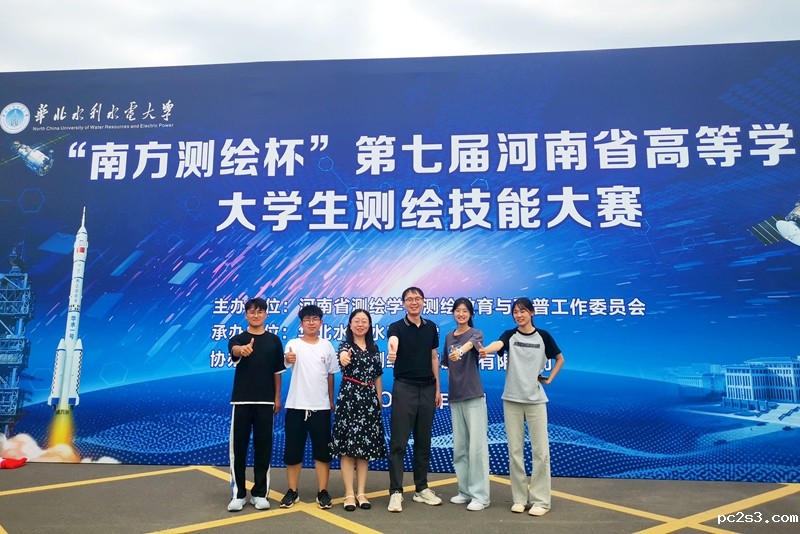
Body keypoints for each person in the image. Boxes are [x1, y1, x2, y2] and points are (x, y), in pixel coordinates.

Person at [479, 297, 565, 517]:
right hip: (512, 399)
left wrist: (549, 379)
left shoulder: (543, 336)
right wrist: (485, 350)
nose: (519, 315)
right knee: (515, 452)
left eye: (523, 311)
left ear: (532, 312)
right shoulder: (510, 335)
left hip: (536, 400)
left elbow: (560, 358)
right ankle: (519, 499)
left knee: (540, 452)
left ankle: (541, 501)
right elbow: (498, 344)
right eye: (515, 312)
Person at [386, 286, 443, 512]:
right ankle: (395, 492)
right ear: (403, 303)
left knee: (423, 441)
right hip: (405, 388)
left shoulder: (430, 327)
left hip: (428, 388)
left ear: (423, 301)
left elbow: (433, 357)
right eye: (409, 299)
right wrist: (392, 350)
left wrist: (437, 388)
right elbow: (393, 341)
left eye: (417, 298)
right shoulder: (396, 326)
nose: (414, 302)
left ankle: (421, 488)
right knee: (398, 442)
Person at [226, 297, 286, 512]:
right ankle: (238, 494)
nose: (256, 315)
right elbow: (234, 350)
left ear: (266, 314)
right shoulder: (238, 339)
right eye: (251, 311)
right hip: (242, 401)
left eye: (260, 311)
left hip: (265, 401)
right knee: (238, 449)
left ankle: (260, 494)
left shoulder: (274, 341)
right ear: (246, 315)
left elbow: (277, 372)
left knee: (263, 449)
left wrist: (277, 397)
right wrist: (240, 350)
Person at [280, 304, 339, 510]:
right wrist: (287, 359)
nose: (311, 323)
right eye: (307, 319)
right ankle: (292, 490)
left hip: (321, 408)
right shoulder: (293, 344)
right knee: (293, 451)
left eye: (315, 319)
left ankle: (322, 491)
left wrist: (330, 400)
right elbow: (285, 363)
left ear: (321, 322)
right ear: (301, 323)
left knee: (322, 452)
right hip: (296, 406)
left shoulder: (327, 346)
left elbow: (330, 374)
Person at [330, 309, 386, 511]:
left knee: (364, 448)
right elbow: (343, 357)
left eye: (364, 321)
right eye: (356, 321)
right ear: (350, 324)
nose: (360, 324)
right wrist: (344, 357)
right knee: (347, 449)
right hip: (350, 399)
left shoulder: (374, 347)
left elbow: (378, 374)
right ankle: (348, 493)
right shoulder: (345, 345)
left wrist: (378, 397)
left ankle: (361, 492)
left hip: (369, 400)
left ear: (369, 325)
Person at [442, 298, 490, 511]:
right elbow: (446, 363)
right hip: (455, 397)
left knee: (476, 448)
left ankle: (481, 496)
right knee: (460, 448)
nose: (461, 314)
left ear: (470, 314)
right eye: (457, 310)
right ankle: (465, 491)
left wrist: (460, 351)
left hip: (473, 396)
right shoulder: (448, 337)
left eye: (465, 311)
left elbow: (470, 345)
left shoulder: (476, 333)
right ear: (453, 313)